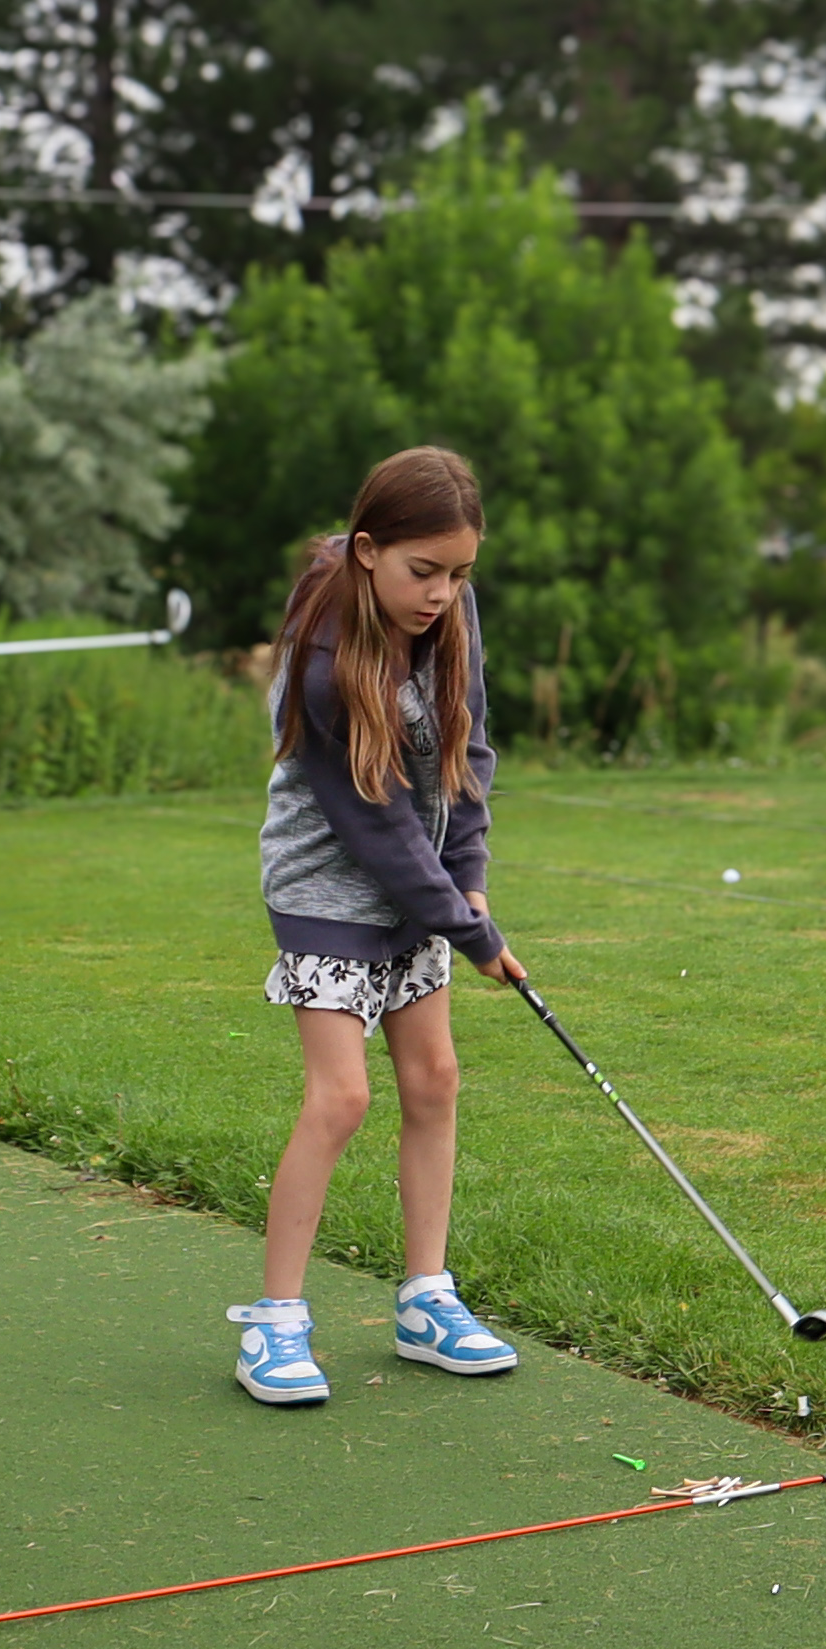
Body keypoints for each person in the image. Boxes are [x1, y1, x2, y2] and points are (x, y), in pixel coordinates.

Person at [234, 445, 531, 1408]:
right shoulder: (323, 655)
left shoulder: (450, 606)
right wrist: (469, 930)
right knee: (341, 1098)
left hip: (420, 876)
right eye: (423, 572)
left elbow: (465, 745)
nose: (442, 593)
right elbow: (371, 823)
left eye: (460, 573)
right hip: (327, 886)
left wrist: (471, 879)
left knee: (435, 1077)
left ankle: (424, 1299)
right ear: (368, 551)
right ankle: (276, 1323)